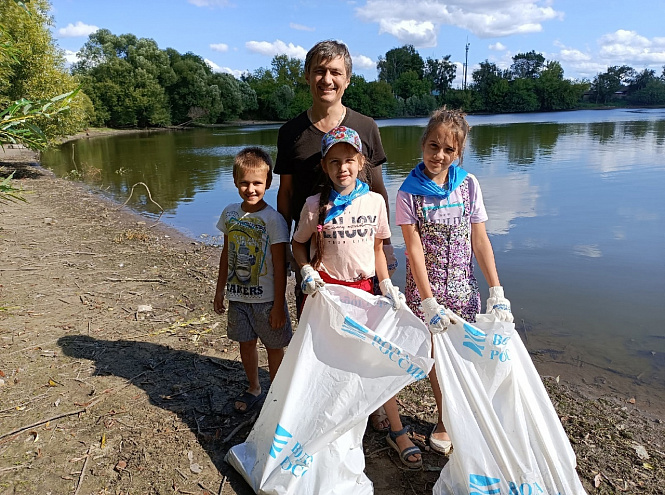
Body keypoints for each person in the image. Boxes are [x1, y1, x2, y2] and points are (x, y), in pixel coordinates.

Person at [275, 39, 395, 433]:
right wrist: (284, 246)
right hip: (312, 254)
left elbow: (377, 191)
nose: (327, 79)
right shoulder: (291, 132)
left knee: (366, 332)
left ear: (347, 79)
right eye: (319, 71)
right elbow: (287, 193)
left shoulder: (366, 127)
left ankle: (370, 403)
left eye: (335, 72)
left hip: (361, 250)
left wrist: (386, 256)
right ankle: (322, 403)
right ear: (308, 76)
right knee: (317, 331)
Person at [292, 126, 422, 470]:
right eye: (334, 162)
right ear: (324, 166)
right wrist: (306, 271)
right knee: (329, 363)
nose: (342, 168)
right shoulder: (314, 205)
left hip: (366, 293)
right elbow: (297, 244)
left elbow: (378, 248)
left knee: (377, 360)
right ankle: (328, 427)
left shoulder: (375, 201)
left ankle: (395, 428)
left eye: (349, 160)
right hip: (328, 296)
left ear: (361, 161)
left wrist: (386, 284)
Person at [396, 107, 514, 455]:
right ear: (423, 144)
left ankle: (472, 412)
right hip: (427, 294)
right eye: (434, 146)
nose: (440, 155)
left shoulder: (468, 185)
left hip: (465, 291)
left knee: (469, 356)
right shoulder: (407, 192)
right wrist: (428, 301)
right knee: (439, 362)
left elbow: (480, 240)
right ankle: (446, 419)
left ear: (459, 152)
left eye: (449, 150)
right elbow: (413, 249)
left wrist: (496, 290)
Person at [213, 147, 292, 414]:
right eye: (244, 182)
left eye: (257, 183)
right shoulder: (230, 214)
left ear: (268, 183)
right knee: (245, 344)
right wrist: (219, 290)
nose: (250, 188)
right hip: (238, 298)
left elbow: (280, 265)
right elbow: (227, 253)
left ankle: (277, 394)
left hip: (267, 300)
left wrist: (279, 305)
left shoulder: (274, 220)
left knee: (274, 347)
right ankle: (254, 388)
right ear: (235, 181)